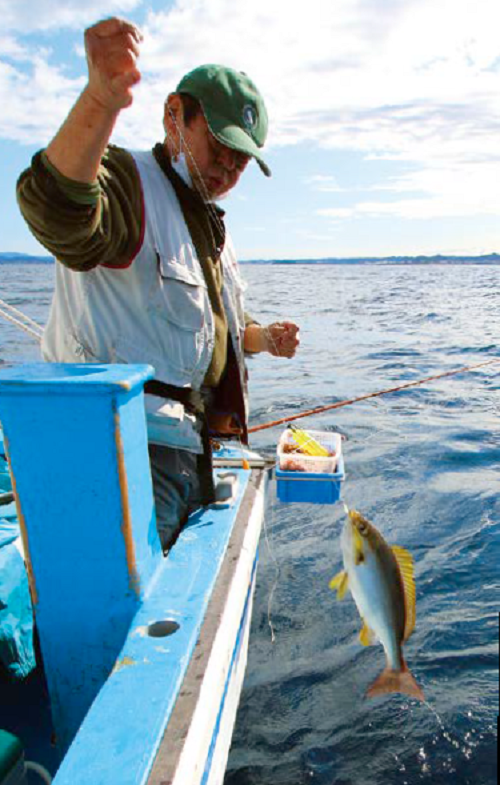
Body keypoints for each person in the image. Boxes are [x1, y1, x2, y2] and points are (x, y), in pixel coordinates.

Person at [17, 17, 300, 549]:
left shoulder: (211, 227)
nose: (227, 171)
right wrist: (100, 99)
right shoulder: (129, 183)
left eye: (240, 162)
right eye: (219, 149)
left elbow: (214, 334)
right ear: (175, 116)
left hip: (190, 452)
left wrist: (263, 338)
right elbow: (58, 212)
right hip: (122, 456)